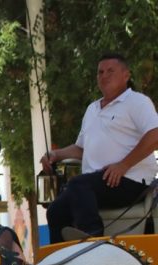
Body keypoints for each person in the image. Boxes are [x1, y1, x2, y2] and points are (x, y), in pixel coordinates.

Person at [41, 53, 158, 242]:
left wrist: (123, 165)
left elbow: (155, 135)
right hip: (95, 184)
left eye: (110, 71)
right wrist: (55, 154)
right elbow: (81, 148)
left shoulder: (137, 102)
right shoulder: (92, 109)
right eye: (100, 72)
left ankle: (94, 239)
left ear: (126, 75)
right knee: (55, 210)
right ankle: (61, 260)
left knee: (78, 183)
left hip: (131, 180)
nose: (104, 76)